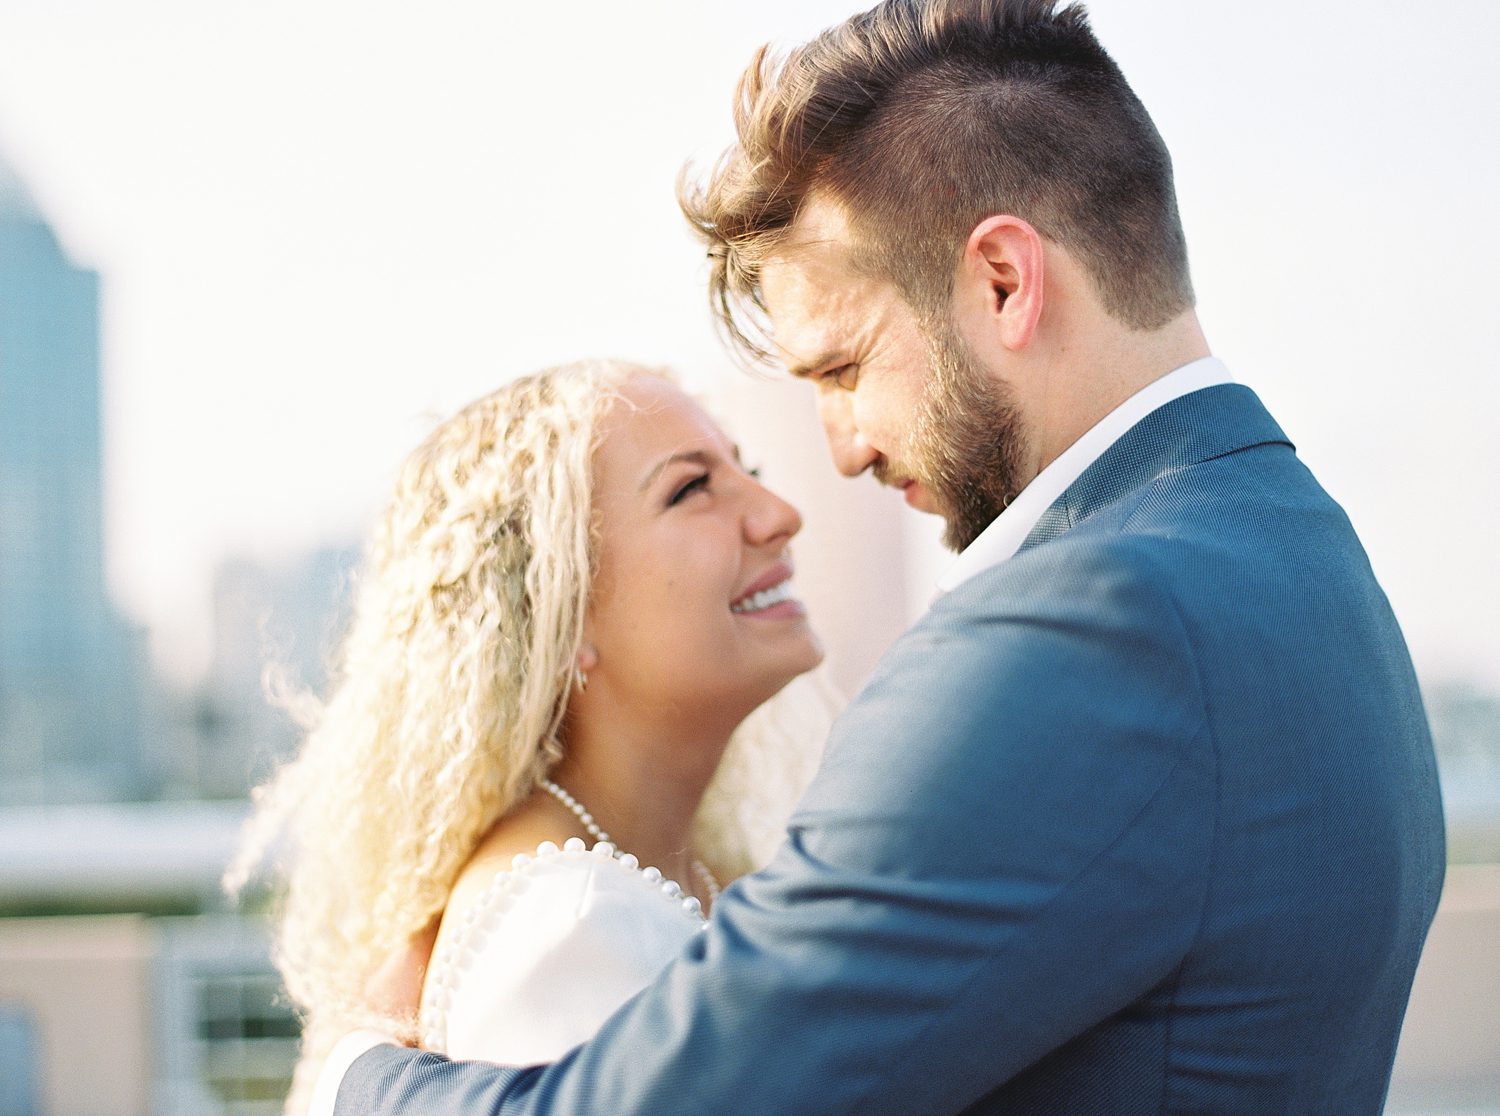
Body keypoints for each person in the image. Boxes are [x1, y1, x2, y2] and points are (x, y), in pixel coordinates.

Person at [319, 1, 1446, 1112]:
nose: (841, 452)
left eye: (844, 368)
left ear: (1005, 281)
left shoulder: (1081, 635)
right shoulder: (1304, 556)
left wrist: (360, 1074)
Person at [226, 359, 833, 1114]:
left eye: (748, 470)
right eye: (691, 488)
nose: (777, 512)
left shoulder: (657, 874)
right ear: (561, 609)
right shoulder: (571, 925)